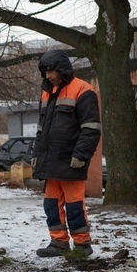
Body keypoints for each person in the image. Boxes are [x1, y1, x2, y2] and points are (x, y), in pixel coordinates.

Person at [31, 49, 102, 258]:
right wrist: (36, 155)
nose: (48, 76)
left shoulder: (82, 89)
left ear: (61, 69)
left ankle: (82, 245)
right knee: (51, 205)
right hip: (51, 162)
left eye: (50, 71)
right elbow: (41, 129)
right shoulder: (46, 92)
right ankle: (58, 242)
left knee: (74, 206)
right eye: (45, 72)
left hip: (71, 161)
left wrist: (81, 155)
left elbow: (91, 129)